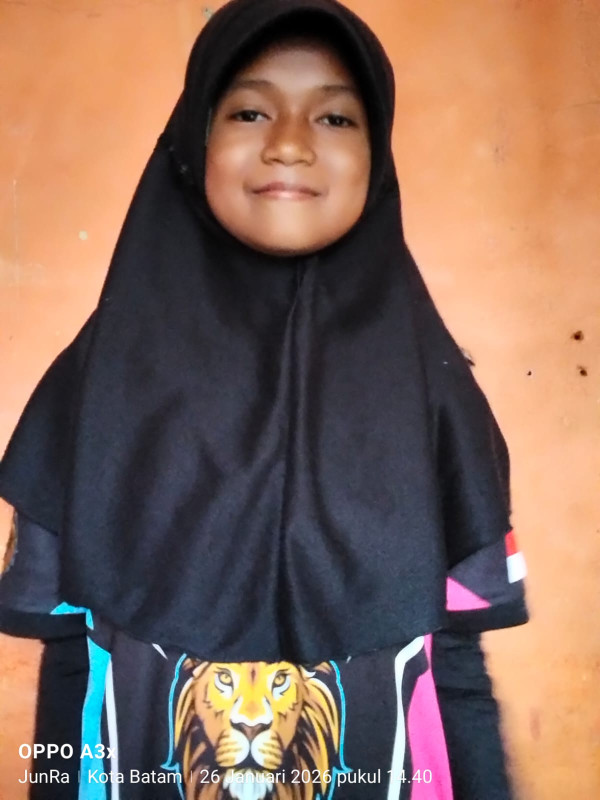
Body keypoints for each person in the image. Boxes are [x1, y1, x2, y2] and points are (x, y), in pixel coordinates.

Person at [0, 1, 528, 798]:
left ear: (377, 155)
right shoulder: (91, 393)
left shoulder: (437, 399)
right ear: (192, 142)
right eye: (249, 111)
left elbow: (455, 671)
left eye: (336, 118)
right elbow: (71, 672)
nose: (289, 142)